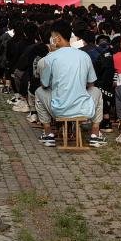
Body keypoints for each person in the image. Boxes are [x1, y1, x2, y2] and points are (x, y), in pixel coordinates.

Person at [35, 19, 106, 148]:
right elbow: (91, 83)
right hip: (83, 109)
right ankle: (95, 134)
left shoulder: (50, 58)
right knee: (97, 91)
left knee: (39, 91)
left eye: (52, 37)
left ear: (57, 38)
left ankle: (48, 133)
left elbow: (44, 85)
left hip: (59, 110)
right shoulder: (84, 56)